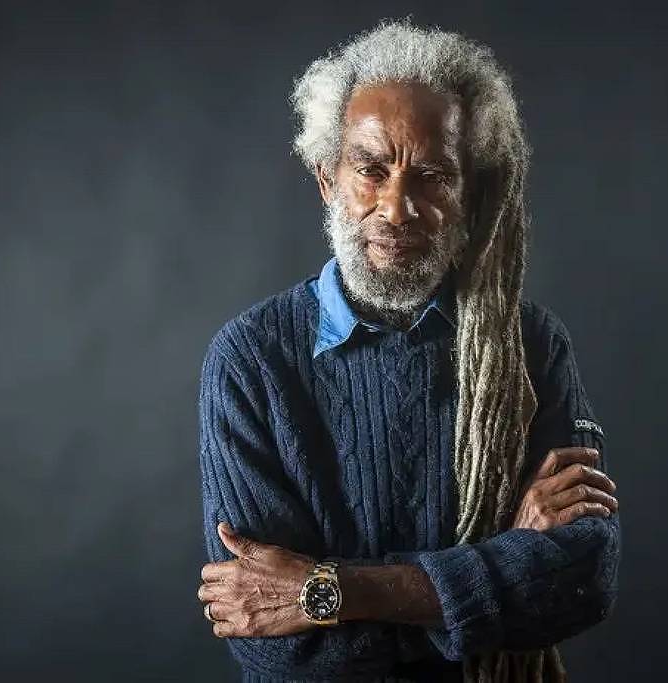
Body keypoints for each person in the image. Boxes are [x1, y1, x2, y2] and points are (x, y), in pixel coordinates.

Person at [196, 19, 620, 683]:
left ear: (469, 195)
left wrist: (332, 591)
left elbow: (582, 579)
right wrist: (505, 566)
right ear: (327, 180)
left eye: (432, 176)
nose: (397, 208)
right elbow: (276, 647)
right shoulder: (250, 361)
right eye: (371, 169)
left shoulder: (531, 346)